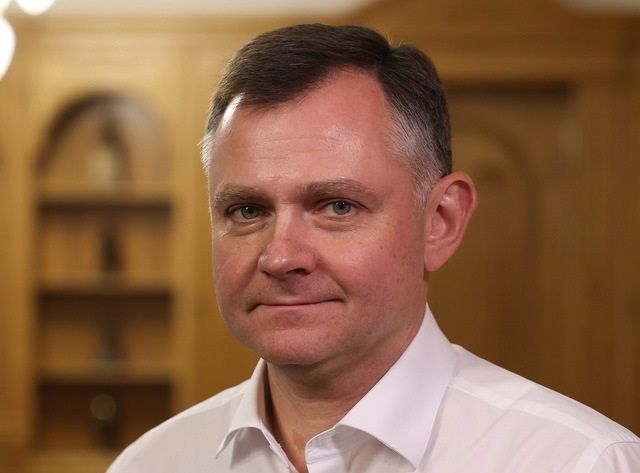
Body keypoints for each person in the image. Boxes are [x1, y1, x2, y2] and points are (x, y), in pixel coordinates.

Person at [108, 23, 640, 473]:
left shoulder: (581, 461)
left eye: (337, 206)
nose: (281, 257)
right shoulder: (152, 463)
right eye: (248, 211)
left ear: (441, 222)